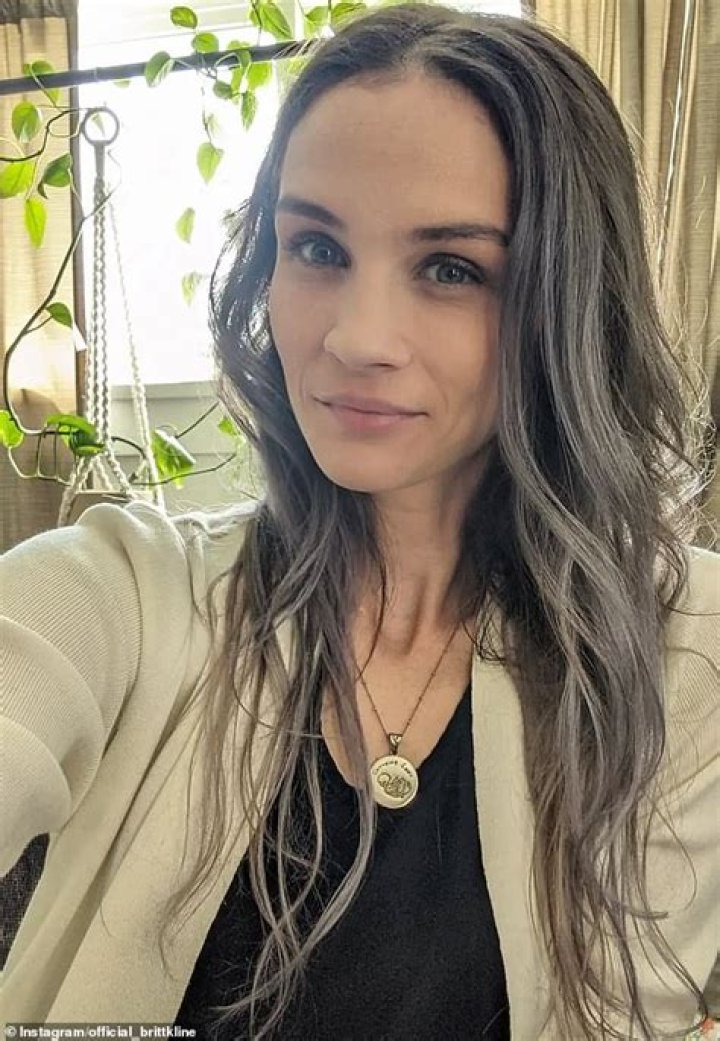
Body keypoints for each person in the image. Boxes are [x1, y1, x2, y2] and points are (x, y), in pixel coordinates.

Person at [1, 3, 718, 1039]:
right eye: (316, 247)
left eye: (451, 268)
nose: (355, 337)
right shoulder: (130, 595)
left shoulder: (686, 649)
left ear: (568, 300)